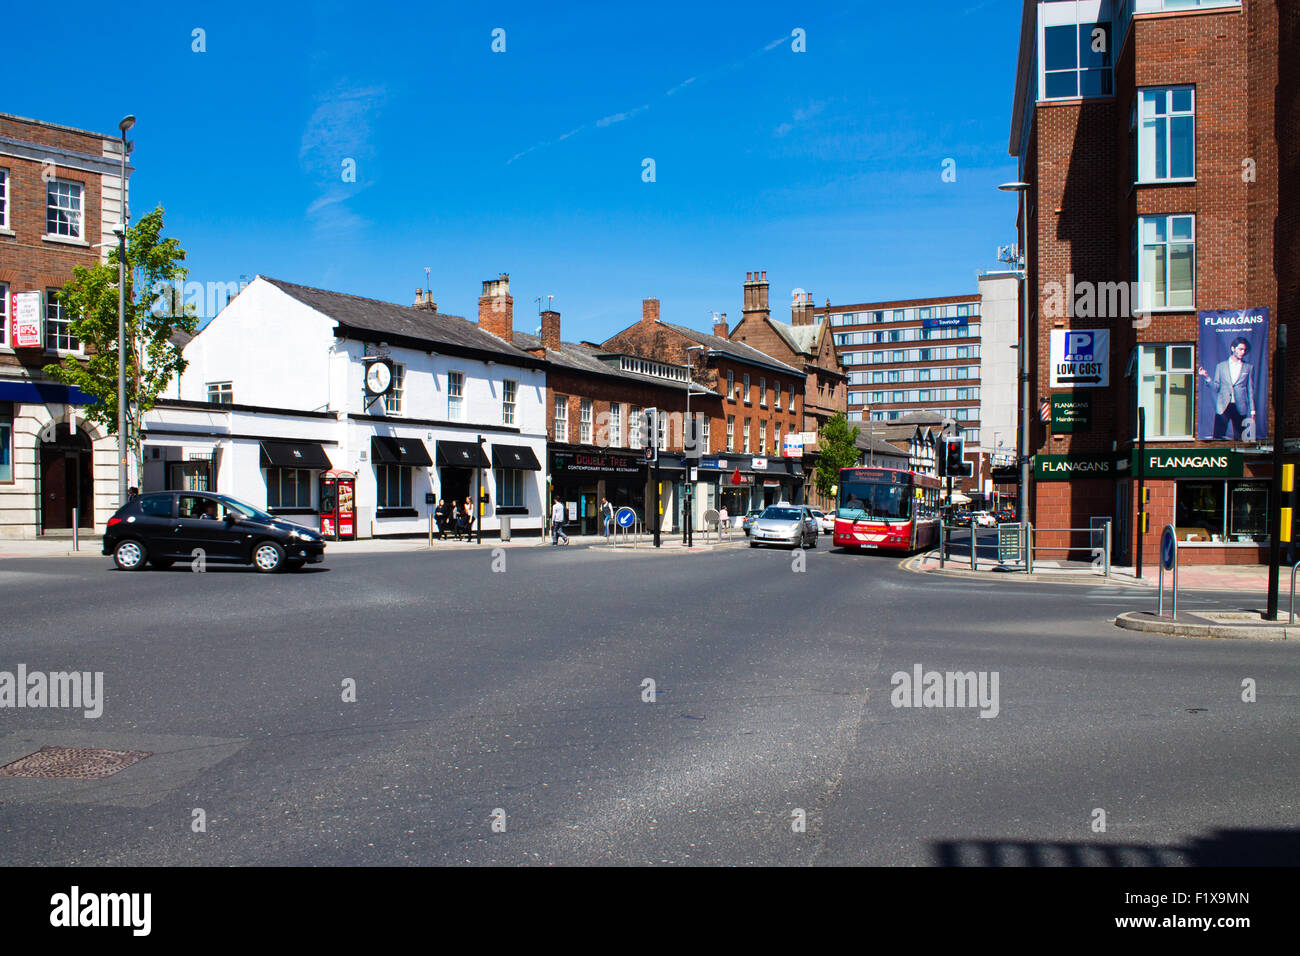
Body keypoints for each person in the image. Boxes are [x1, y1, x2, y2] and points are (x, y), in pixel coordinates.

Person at [1199, 337, 1257, 440]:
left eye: (1244, 350)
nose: (1242, 352)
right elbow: (1216, 387)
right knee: (1218, 436)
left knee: (1241, 438)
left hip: (1240, 406)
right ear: (1233, 348)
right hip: (1223, 406)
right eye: (1240, 349)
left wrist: (1252, 410)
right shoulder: (1221, 366)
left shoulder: (1248, 367)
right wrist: (1207, 377)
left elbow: (1250, 390)